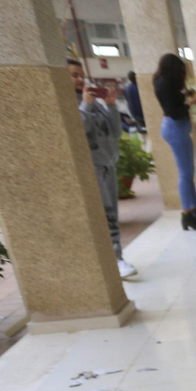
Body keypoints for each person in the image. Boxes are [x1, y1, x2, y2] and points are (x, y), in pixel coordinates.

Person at [68, 59, 136, 278]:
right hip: (91, 165)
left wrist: (112, 105)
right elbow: (79, 131)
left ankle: (115, 259)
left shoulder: (94, 101)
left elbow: (116, 133)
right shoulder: (69, 102)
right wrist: (86, 105)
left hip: (108, 163)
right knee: (106, 213)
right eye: (73, 75)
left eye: (81, 75)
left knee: (112, 212)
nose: (79, 79)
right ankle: (116, 259)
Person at [153, 52, 196, 230]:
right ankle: (188, 213)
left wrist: (186, 94)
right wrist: (191, 103)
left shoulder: (166, 83)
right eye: (180, 71)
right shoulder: (162, 84)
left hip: (179, 129)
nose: (182, 75)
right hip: (175, 129)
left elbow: (175, 100)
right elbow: (173, 110)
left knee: (189, 173)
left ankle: (194, 212)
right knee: (185, 175)